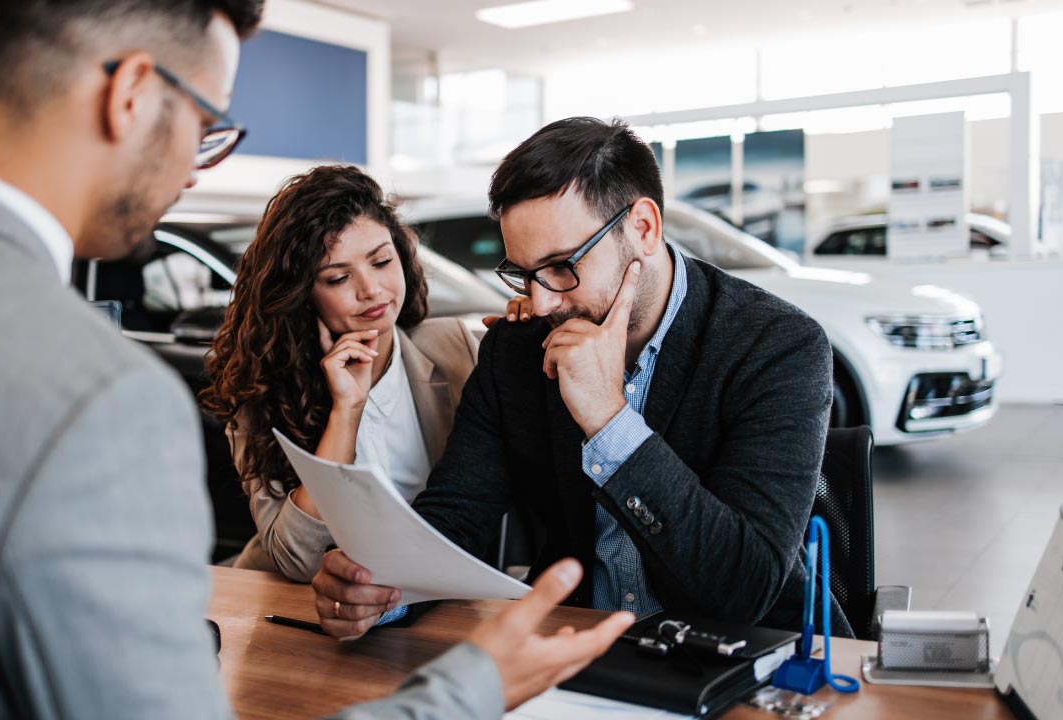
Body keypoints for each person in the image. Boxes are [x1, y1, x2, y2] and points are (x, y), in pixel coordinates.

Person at [0, 3, 632, 718]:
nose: (197, 175)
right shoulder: (96, 397)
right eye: (206, 127)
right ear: (129, 95)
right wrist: (476, 687)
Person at [311, 116, 851, 641]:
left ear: (642, 228)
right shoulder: (517, 349)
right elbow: (457, 517)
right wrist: (381, 590)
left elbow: (742, 586)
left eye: (562, 265)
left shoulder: (777, 345)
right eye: (524, 273)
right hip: (578, 648)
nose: (541, 301)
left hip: (752, 655)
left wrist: (608, 418)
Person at [202, 165, 481, 582]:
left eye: (382, 261)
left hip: (430, 598)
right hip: (298, 608)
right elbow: (297, 560)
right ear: (303, 294)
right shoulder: (265, 388)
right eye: (338, 277)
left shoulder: (454, 345)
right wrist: (345, 412)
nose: (370, 289)